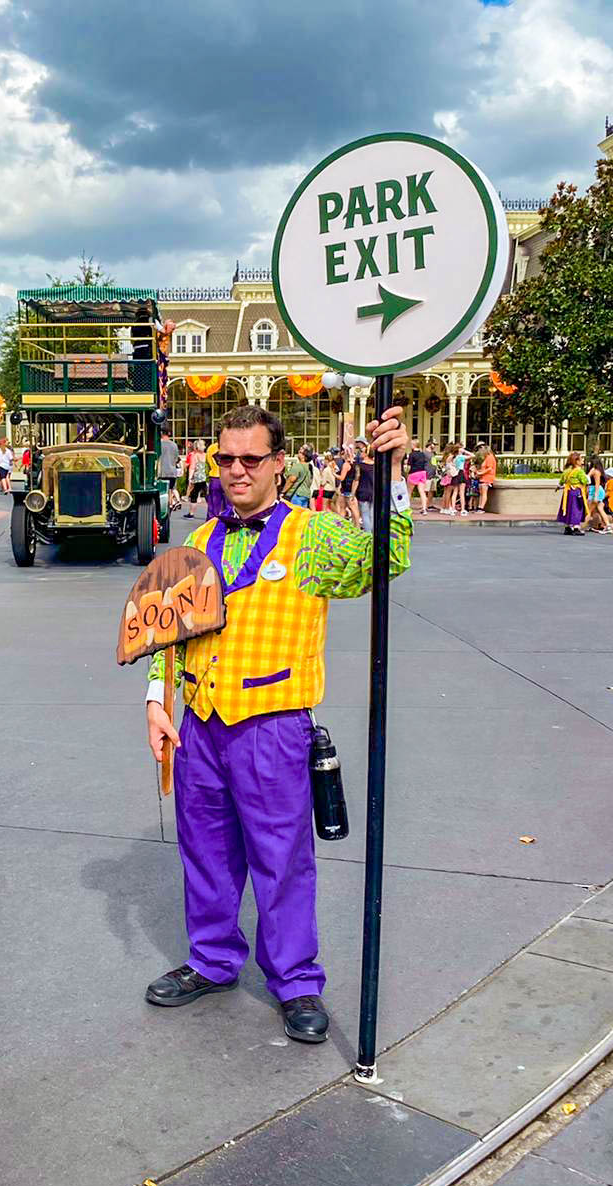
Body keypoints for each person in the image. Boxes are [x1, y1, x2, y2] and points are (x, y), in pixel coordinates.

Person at [141, 402, 412, 1045]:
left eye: (250, 459)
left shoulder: (310, 535)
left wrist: (392, 473)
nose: (236, 470)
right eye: (225, 458)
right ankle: (212, 961)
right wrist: (157, 699)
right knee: (204, 854)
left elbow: (386, 559)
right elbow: (167, 631)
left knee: (281, 861)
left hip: (272, 726)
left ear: (278, 465)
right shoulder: (199, 540)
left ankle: (295, 981)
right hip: (201, 725)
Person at [557, 451, 588, 535]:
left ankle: (568, 526)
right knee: (577, 509)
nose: (583, 461)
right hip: (577, 492)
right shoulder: (579, 471)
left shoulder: (566, 471)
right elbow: (585, 481)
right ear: (576, 461)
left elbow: (561, 481)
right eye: (581, 459)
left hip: (568, 492)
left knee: (568, 509)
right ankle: (576, 527)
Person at [185, 439, 208, 518]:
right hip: (206, 478)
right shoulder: (206, 455)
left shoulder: (195, 456)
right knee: (207, 495)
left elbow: (192, 467)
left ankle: (191, 513)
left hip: (198, 478)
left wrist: (190, 478)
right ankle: (213, 511)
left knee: (193, 495)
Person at [159, 433, 182, 513]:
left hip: (162, 471)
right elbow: (176, 459)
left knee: (163, 491)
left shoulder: (159, 444)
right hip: (172, 471)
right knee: (170, 490)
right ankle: (170, 505)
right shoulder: (174, 445)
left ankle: (166, 507)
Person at [406, 442, 431, 514]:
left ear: (413, 445)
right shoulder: (422, 454)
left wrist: (407, 473)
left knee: (409, 491)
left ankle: (407, 508)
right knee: (422, 492)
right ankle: (424, 509)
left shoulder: (412, 454)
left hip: (414, 473)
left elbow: (409, 465)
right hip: (422, 473)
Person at [586, 454, 609, 533]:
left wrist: (595, 496)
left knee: (589, 510)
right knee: (599, 509)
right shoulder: (598, 471)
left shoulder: (596, 472)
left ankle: (581, 527)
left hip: (595, 491)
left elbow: (597, 484)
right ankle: (606, 525)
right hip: (596, 491)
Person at [473, 442, 496, 515]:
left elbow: (489, 468)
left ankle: (481, 507)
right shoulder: (487, 457)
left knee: (484, 492)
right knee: (481, 493)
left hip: (487, 477)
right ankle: (479, 507)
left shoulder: (490, 457)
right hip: (483, 477)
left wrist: (480, 473)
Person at [205, 440, 225, 518]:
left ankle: (211, 524)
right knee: (229, 505)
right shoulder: (229, 446)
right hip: (226, 478)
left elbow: (208, 462)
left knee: (213, 506)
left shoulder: (211, 448)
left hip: (214, 477)